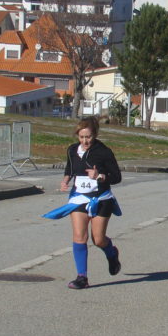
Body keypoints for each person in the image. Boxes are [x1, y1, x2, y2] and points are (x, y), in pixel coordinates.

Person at [43, 117, 122, 290]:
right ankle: (82, 277)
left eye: (89, 137)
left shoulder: (104, 152)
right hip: (79, 197)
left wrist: (99, 176)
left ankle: (111, 253)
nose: (85, 141)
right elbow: (70, 169)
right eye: (81, 137)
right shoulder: (72, 150)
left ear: (95, 134)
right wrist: (65, 181)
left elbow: (116, 177)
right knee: (80, 236)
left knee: (98, 239)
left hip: (101, 199)